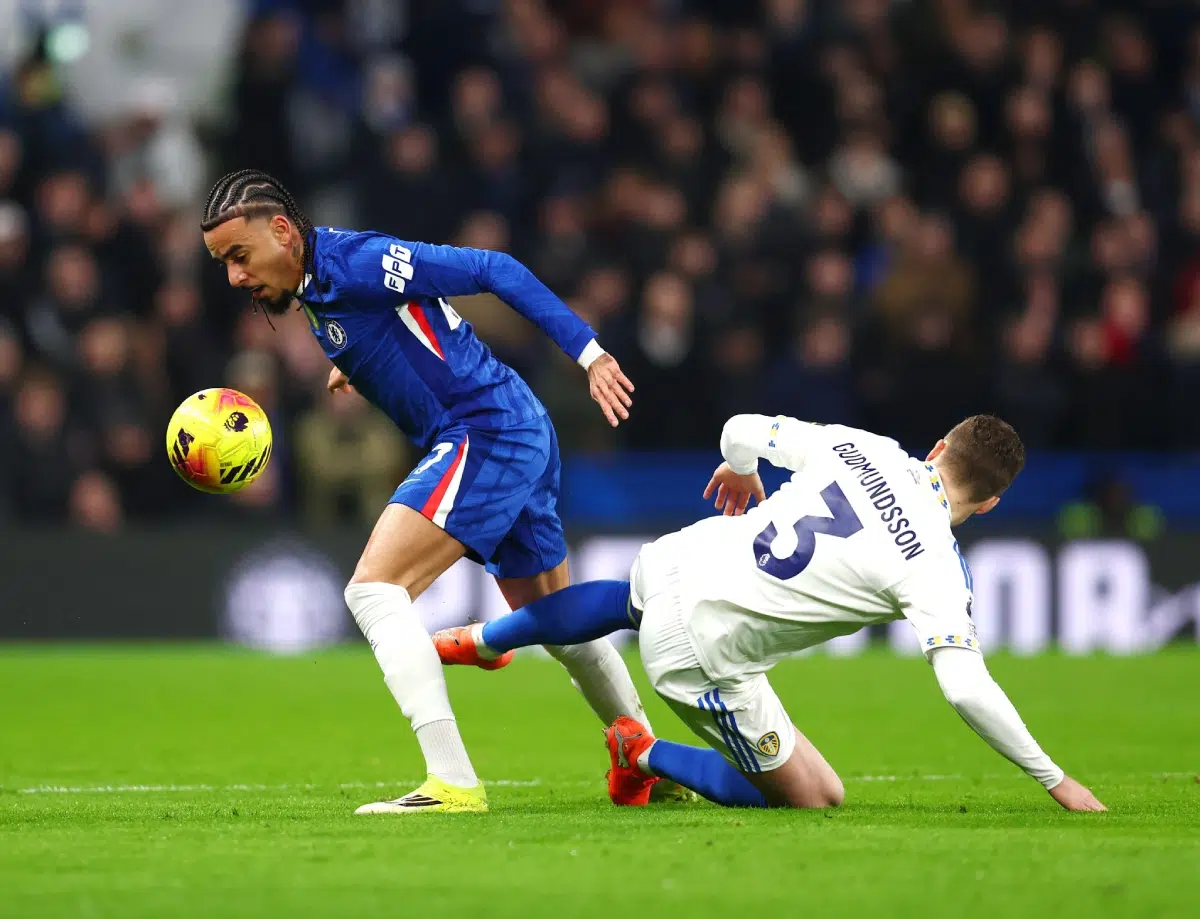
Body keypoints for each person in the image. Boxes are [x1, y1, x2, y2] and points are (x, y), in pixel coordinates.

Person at [201, 169, 656, 814]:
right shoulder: (317, 285)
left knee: (373, 590)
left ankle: (451, 781)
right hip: (514, 427)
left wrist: (590, 354)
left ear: (281, 231)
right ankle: (647, 758)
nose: (234, 277)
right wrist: (355, 363)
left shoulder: (355, 262)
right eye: (224, 263)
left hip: (485, 431)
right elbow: (399, 327)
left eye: (239, 256)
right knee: (559, 622)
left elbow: (494, 269)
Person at [433, 413, 1108, 812]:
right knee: (813, 797)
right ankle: (639, 752)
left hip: (689, 555)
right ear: (989, 504)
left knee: (620, 599)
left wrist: (740, 467)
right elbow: (963, 687)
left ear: (938, 447)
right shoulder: (935, 565)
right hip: (702, 646)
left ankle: (485, 638)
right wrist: (1054, 778)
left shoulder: (865, 446)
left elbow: (740, 430)